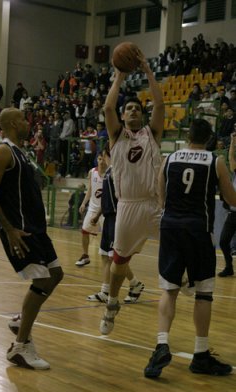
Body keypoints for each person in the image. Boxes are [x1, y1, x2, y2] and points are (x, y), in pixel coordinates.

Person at [144, 119, 236, 379]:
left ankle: (161, 344)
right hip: (198, 230)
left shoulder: (170, 158)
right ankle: (201, 354)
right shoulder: (214, 161)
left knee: (169, 289)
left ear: (187, 136)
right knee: (204, 292)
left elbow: (159, 193)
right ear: (209, 139)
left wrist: (171, 212)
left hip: (171, 227)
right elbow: (230, 198)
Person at [0, 108, 64, 370]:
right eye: (22, 119)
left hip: (36, 228)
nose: (27, 122)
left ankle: (21, 319)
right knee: (41, 278)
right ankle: (20, 347)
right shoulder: (3, 152)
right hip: (20, 230)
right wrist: (9, 230)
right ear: (12, 124)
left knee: (56, 274)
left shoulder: (21, 152)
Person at [99, 48, 164, 335]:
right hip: (127, 206)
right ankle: (111, 304)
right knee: (119, 261)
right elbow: (107, 108)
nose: (134, 110)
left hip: (154, 204)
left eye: (138, 108)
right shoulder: (116, 136)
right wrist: (120, 76)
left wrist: (149, 72)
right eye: (129, 109)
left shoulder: (152, 133)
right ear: (123, 117)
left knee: (179, 238)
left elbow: (160, 105)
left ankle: (184, 279)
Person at [87, 144, 144, 303]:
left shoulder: (120, 170)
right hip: (108, 217)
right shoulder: (109, 171)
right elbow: (106, 196)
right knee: (105, 256)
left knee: (116, 258)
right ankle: (105, 291)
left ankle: (135, 284)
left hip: (118, 219)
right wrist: (98, 214)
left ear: (106, 154)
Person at [75, 152, 107, 267]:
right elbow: (90, 189)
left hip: (106, 211)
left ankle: (108, 257)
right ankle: (85, 255)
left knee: (107, 236)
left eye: (103, 159)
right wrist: (84, 203)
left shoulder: (110, 174)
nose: (101, 161)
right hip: (93, 207)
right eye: (99, 159)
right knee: (84, 231)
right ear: (96, 160)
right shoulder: (92, 172)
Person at [218, 133, 236, 277]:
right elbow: (231, 158)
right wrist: (233, 140)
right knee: (224, 241)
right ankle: (229, 267)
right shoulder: (235, 171)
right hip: (234, 213)